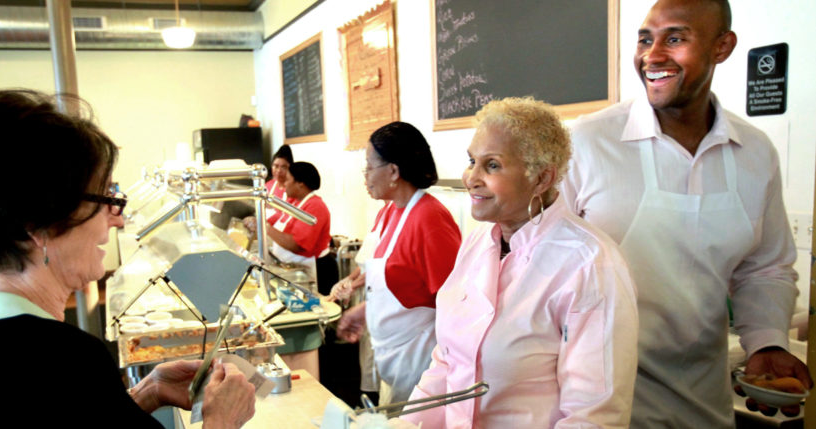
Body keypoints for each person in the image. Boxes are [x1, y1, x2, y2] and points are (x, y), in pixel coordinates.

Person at [559, 1, 812, 427]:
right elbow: (536, 270)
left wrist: (767, 343)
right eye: (645, 39)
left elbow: (764, 268)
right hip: (598, 405)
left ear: (722, 47)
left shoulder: (754, 152)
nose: (652, 56)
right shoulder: (586, 142)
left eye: (675, 39)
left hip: (704, 402)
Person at [0, 89, 256, 428]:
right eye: (104, 198)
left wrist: (149, 390)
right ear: (40, 223)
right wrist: (222, 419)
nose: (117, 217)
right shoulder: (62, 357)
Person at [401, 97, 639, 428]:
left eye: (492, 165)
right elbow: (447, 362)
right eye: (472, 161)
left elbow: (593, 416)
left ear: (541, 178)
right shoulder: (477, 242)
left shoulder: (590, 264)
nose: (471, 177)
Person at [332, 121, 461, 406]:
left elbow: (456, 305)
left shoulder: (429, 220)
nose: (365, 176)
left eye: (369, 167)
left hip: (422, 365)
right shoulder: (390, 212)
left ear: (393, 171)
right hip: (393, 360)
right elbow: (401, 283)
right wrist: (366, 311)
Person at [263, 162, 334, 290]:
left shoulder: (315, 206)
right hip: (295, 268)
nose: (284, 185)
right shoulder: (294, 202)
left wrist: (266, 228)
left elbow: (297, 244)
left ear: (300, 183)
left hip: (317, 271)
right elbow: (275, 220)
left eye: (288, 180)